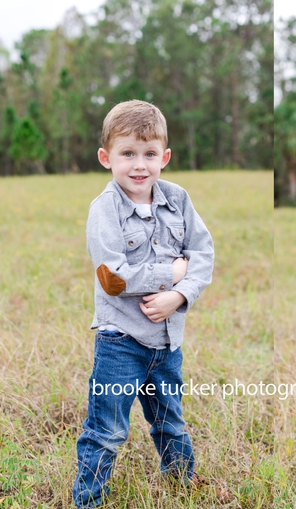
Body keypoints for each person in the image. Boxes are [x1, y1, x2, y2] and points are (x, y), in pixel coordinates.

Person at [73, 100, 214, 507]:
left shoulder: (178, 200)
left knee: (171, 423)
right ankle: (89, 500)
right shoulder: (105, 209)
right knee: (107, 429)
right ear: (106, 158)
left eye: (150, 154)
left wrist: (179, 294)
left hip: (167, 344)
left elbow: (202, 256)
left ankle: (182, 488)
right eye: (128, 154)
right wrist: (170, 273)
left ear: (164, 157)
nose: (140, 165)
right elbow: (112, 277)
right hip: (121, 343)